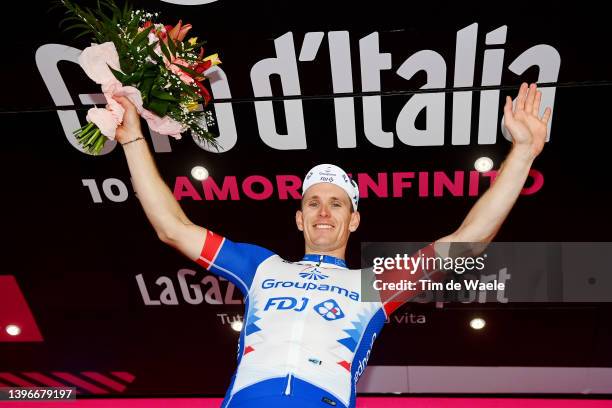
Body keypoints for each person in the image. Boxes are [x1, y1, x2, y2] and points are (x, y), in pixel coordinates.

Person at [113, 82, 551, 407]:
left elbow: (467, 242)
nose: (325, 212)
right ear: (300, 218)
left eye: (336, 204)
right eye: (315, 203)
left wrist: (524, 152)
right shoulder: (262, 267)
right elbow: (172, 227)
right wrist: (132, 137)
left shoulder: (374, 283)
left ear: (353, 219)